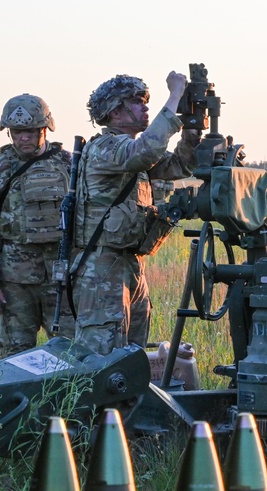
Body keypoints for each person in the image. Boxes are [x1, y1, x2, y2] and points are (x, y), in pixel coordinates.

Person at [72, 71, 200, 355]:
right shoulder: (106, 148)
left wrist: (191, 130)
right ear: (115, 112)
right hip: (103, 267)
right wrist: (175, 96)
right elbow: (145, 151)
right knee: (103, 358)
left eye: (146, 101)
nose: (145, 107)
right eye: (137, 102)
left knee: (133, 353)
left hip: (130, 262)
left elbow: (179, 166)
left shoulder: (132, 151)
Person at [0, 94, 75, 357]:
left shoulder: (70, 165)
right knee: (14, 357)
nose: (23, 137)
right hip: (14, 283)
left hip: (62, 278)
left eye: (29, 131)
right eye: (17, 132)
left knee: (71, 354)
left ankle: (66, 400)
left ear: (44, 129)